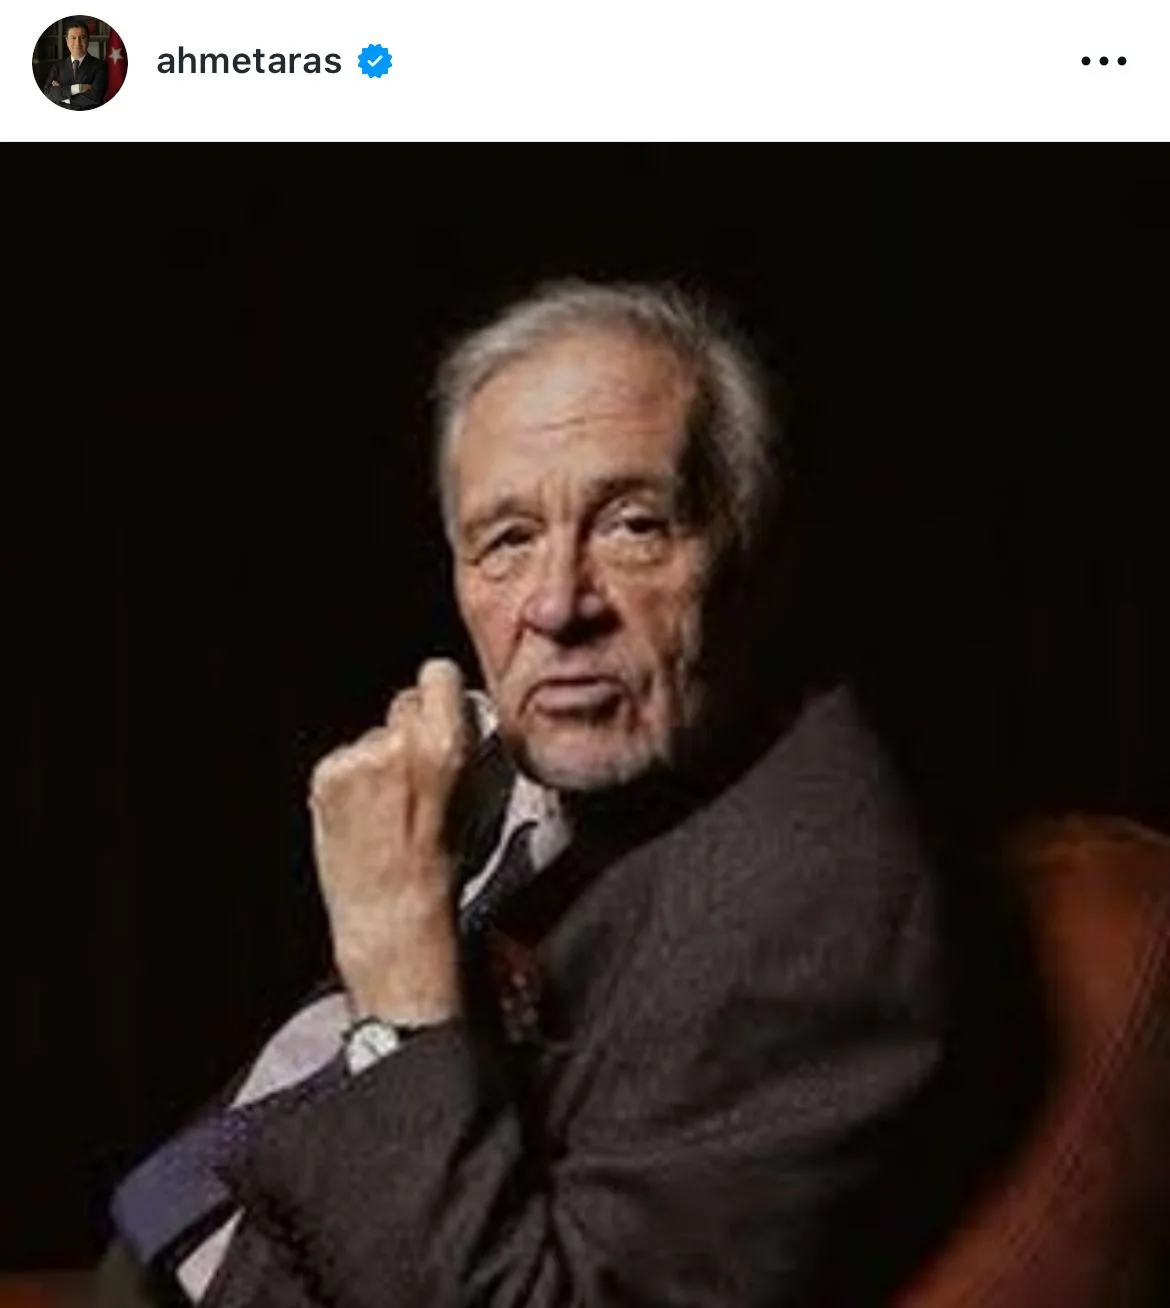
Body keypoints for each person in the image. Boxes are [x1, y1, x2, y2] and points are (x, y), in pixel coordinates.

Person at [94, 281, 998, 1307]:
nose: (558, 606)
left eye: (633, 526)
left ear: (748, 554)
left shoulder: (815, 904)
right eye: (509, 539)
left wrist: (399, 964)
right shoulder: (583, 765)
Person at [41, 18, 107, 110]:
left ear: (88, 40)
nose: (77, 43)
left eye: (82, 37)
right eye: (73, 38)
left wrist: (62, 96)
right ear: (67, 41)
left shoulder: (100, 66)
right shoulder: (57, 66)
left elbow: (95, 97)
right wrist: (78, 88)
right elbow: (48, 93)